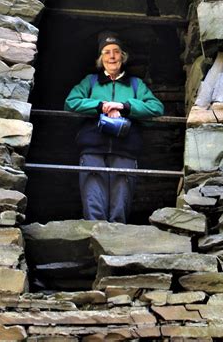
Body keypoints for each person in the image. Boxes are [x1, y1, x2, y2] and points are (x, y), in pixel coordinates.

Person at [64, 32, 164, 223]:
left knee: (121, 200)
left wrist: (125, 107)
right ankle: (95, 237)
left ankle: (116, 242)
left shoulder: (135, 84)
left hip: (125, 150)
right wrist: (99, 106)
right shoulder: (90, 81)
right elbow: (70, 102)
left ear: (122, 56)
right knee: (93, 198)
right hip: (93, 147)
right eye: (107, 52)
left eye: (116, 52)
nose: (112, 56)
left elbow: (156, 108)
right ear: (101, 59)